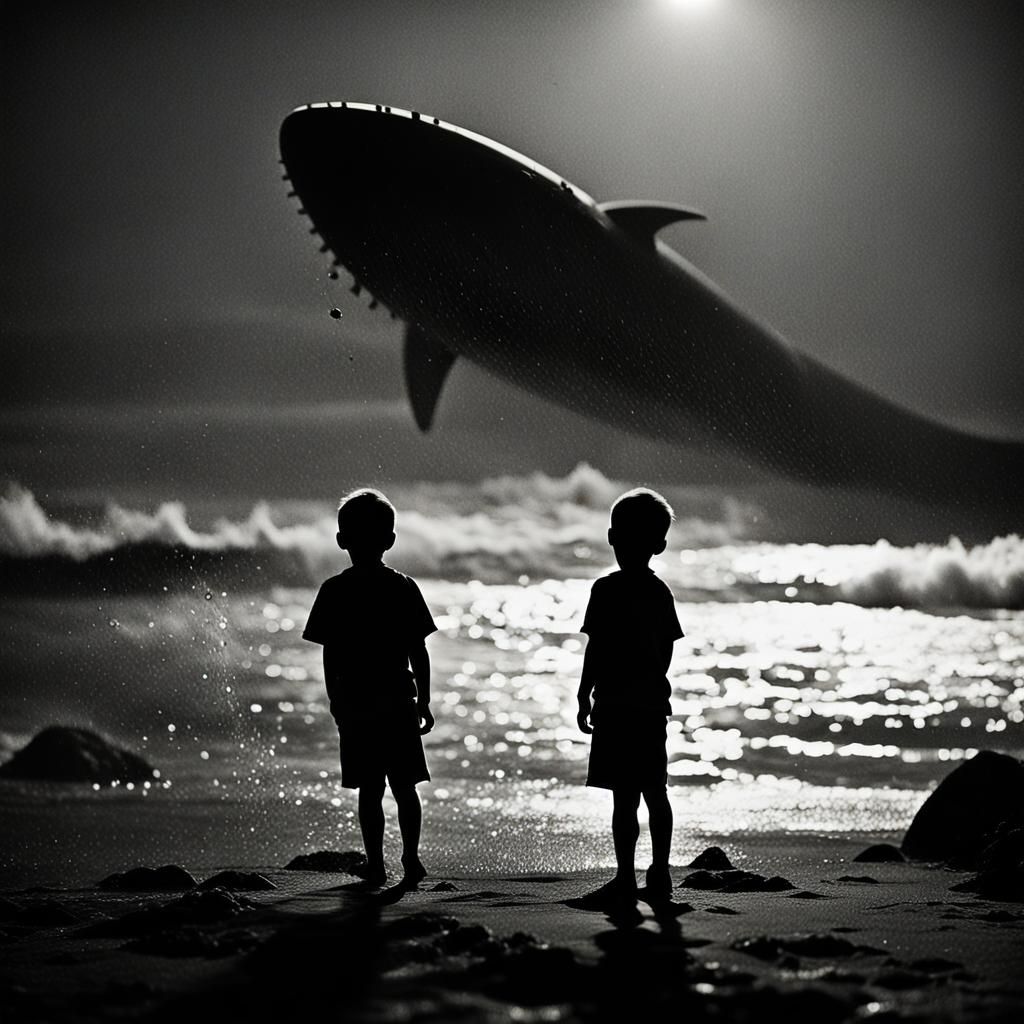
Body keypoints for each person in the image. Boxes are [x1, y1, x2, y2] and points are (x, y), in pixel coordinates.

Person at [302, 488, 436, 888]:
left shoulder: (334, 590)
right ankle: (410, 860)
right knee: (405, 787)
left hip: (357, 702)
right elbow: (419, 650)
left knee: (370, 790)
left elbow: (330, 655)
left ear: (342, 540)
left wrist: (334, 698)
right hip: (397, 698)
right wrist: (424, 698)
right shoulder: (403, 587)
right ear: (389, 541)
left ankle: (376, 864)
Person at [576, 487, 684, 906]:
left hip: (616, 706)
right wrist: (653, 680)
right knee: (655, 791)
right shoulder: (660, 593)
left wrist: (585, 693)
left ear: (611, 537)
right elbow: (667, 649)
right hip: (650, 706)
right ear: (659, 544)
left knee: (625, 797)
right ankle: (659, 870)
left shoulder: (605, 590)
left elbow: (596, 649)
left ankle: (626, 875)